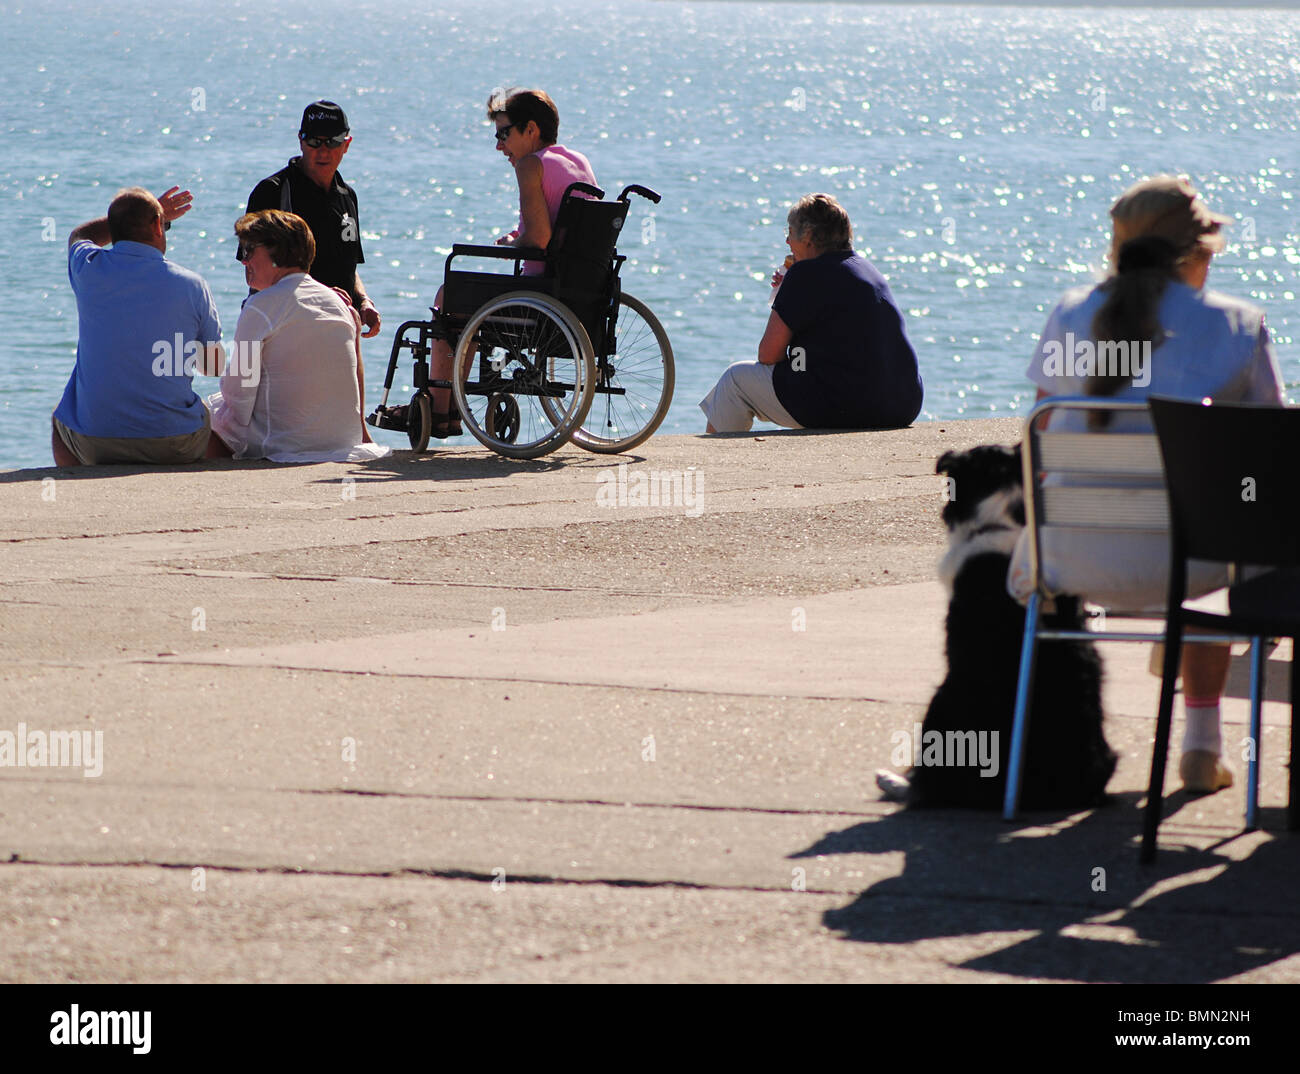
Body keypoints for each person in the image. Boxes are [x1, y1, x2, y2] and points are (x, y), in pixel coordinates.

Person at [1008, 174, 1285, 794]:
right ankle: (1202, 743)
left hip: (1068, 557)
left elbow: (1040, 430)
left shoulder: (1070, 312)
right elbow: (1272, 456)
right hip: (1194, 566)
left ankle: (1046, 748)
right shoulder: (1237, 323)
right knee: (1235, 537)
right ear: (1199, 251)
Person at [380, 87, 597, 438]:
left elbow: (538, 241)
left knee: (448, 296)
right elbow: (557, 226)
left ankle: (438, 409)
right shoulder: (578, 161)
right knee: (468, 305)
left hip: (538, 295)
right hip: (576, 293)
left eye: (503, 134)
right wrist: (519, 236)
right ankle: (450, 407)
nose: (499, 146)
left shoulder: (532, 165)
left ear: (530, 130)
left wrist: (518, 242)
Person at [700, 193, 923, 434]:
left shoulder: (806, 273)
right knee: (740, 387)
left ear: (807, 236)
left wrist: (790, 289)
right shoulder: (866, 268)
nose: (787, 241)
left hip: (854, 407)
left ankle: (715, 466)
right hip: (903, 404)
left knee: (734, 381)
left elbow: (767, 354)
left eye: (790, 232)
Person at [51, 186, 224, 466]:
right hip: (174, 442)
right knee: (207, 414)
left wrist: (132, 216)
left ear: (115, 229)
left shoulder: (88, 268)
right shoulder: (192, 284)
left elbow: (79, 236)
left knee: (61, 418)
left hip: (97, 444)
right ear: (158, 225)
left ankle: (77, 486)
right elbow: (213, 367)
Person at [207, 211, 390, 463]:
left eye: (249, 250)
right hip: (341, 440)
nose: (243, 261)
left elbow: (240, 395)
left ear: (277, 252)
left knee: (195, 419)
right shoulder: (337, 302)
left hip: (284, 442)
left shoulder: (261, 305)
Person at [245, 100, 380, 339]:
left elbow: (348, 267)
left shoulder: (347, 196)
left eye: (333, 141)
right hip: (283, 330)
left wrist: (363, 301)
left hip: (339, 329)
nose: (323, 150)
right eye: (314, 141)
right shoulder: (272, 192)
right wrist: (321, 297)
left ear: (347, 144)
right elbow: (254, 275)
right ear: (301, 140)